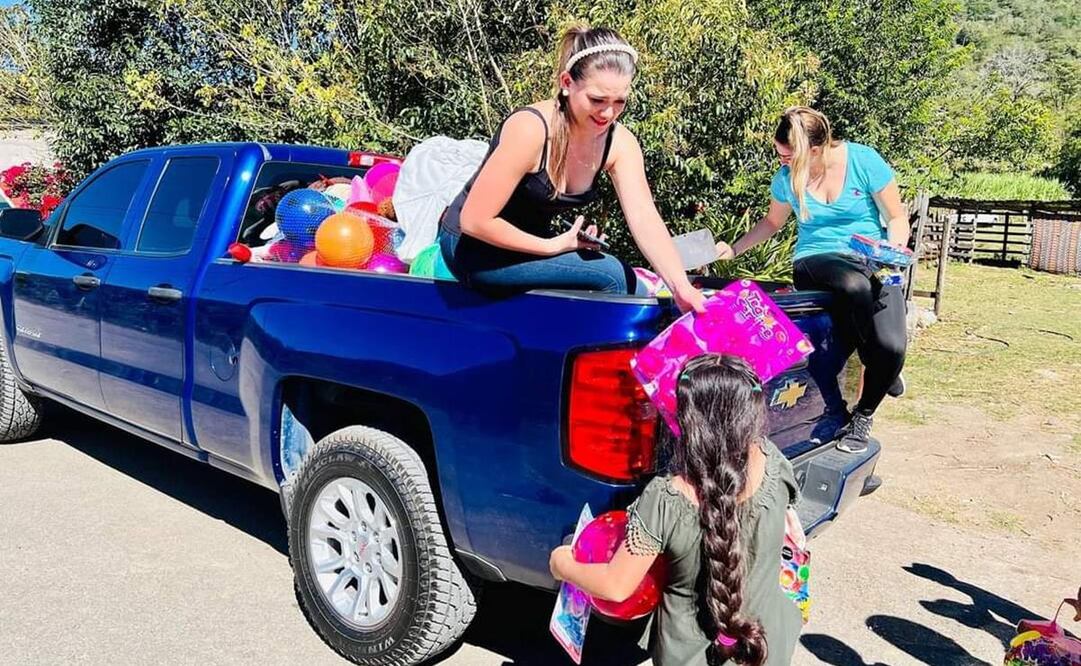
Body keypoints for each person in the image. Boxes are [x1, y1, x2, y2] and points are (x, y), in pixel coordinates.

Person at [549, 354, 803, 666]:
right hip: (765, 645)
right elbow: (790, 524)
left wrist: (562, 565)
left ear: (687, 421)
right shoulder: (774, 464)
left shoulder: (667, 498)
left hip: (690, 655)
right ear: (753, 410)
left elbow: (615, 586)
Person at [438, 26, 706, 314]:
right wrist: (553, 247)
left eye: (620, 102)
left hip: (534, 244)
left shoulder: (619, 143)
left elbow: (643, 216)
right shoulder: (532, 130)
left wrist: (681, 286)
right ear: (567, 82)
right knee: (612, 277)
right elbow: (476, 221)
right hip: (475, 249)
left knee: (636, 289)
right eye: (597, 100)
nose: (608, 113)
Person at [716, 106, 909, 453]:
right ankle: (874, 360)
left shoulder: (864, 161)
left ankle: (863, 414)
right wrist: (733, 249)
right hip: (816, 260)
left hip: (869, 259)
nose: (782, 163)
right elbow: (771, 223)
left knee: (893, 347)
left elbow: (896, 217)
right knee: (855, 287)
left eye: (788, 156)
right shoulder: (787, 179)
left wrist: (891, 249)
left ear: (815, 150)